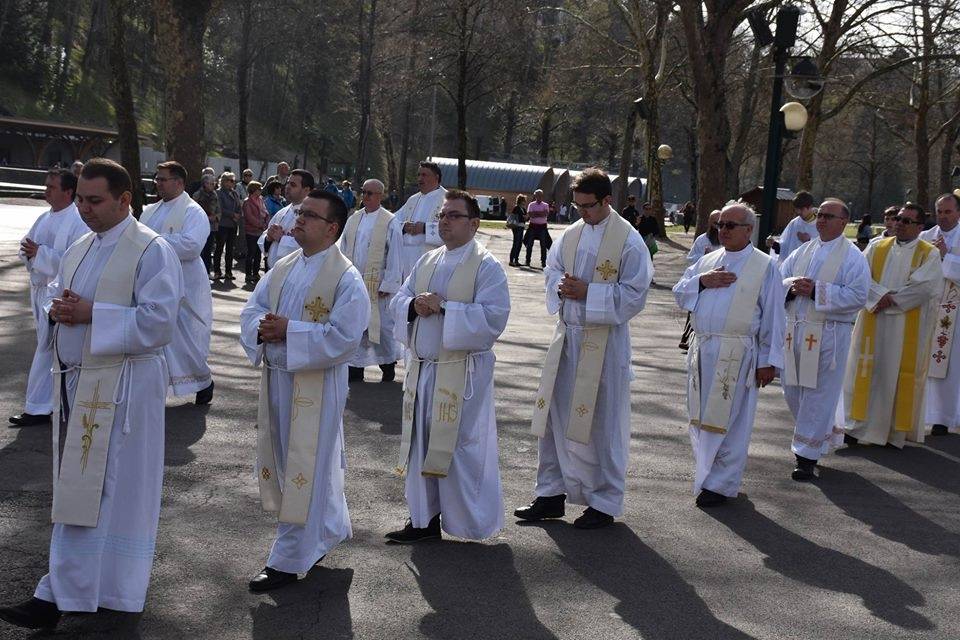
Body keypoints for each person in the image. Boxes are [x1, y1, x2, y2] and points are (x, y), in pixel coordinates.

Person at [0, 159, 182, 631]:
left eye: (94, 200)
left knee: (106, 492)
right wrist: (58, 306)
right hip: (83, 384)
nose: (83, 209)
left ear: (125, 200)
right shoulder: (81, 244)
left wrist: (92, 315)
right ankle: (78, 589)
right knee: (85, 491)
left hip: (126, 389)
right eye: (79, 198)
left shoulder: (151, 251)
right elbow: (60, 294)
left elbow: (160, 322)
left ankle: (82, 591)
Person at [240, 189, 367, 592]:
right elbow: (252, 309)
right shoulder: (283, 266)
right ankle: (327, 528)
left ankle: (287, 558)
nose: (298, 219)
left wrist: (289, 330)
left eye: (310, 215)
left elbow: (346, 337)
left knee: (303, 465)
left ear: (331, 228)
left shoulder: (346, 277)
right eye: (299, 212)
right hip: (278, 378)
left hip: (315, 384)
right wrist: (262, 328)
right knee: (297, 463)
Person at [517, 168, 652, 529]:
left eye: (588, 207)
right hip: (568, 337)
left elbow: (636, 294)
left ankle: (604, 501)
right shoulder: (571, 234)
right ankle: (550, 494)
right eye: (577, 206)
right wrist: (560, 286)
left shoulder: (629, 240)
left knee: (603, 425)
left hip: (604, 344)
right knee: (555, 417)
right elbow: (552, 269)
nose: (582, 213)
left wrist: (589, 292)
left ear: (607, 200)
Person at [385, 189, 510, 543]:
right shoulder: (428, 260)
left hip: (461, 374)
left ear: (474, 223)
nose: (445, 222)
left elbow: (494, 319)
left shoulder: (486, 266)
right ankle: (422, 519)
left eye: (454, 216)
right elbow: (400, 300)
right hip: (424, 369)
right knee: (420, 444)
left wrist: (446, 308)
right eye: (442, 215)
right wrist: (412, 306)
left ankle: (468, 522)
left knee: (459, 448)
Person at [673, 203, 785, 507]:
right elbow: (680, 293)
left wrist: (768, 362)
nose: (723, 230)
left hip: (737, 352)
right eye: (720, 224)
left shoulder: (765, 266)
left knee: (732, 421)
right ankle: (707, 472)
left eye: (730, 225)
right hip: (703, 348)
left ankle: (721, 484)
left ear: (749, 230)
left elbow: (775, 315)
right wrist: (702, 282)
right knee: (699, 415)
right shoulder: (707, 260)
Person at [780, 199, 870, 480]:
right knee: (793, 392)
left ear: (844, 222)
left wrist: (818, 290)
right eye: (819, 215)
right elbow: (780, 280)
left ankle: (805, 457)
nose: (821, 220)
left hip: (828, 334)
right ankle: (818, 434)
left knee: (819, 395)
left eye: (828, 216)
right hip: (795, 331)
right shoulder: (802, 251)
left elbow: (858, 296)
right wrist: (792, 288)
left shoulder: (853, 256)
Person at [844, 203, 943, 447]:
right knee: (866, 371)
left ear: (920, 227)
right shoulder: (877, 246)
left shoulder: (927, 253)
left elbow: (926, 287)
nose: (899, 223)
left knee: (897, 374)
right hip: (873, 320)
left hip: (906, 325)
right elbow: (861, 277)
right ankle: (857, 428)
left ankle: (892, 432)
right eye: (898, 218)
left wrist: (890, 299)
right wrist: (880, 296)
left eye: (906, 221)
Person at [9, 168, 88, 427]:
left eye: (51, 187)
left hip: (57, 294)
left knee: (47, 349)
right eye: (46, 185)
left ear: (68, 191)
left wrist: (40, 253)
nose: (46, 191)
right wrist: (32, 254)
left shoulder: (77, 221)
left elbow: (74, 262)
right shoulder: (44, 217)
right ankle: (53, 403)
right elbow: (25, 245)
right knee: (47, 348)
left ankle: (38, 407)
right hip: (39, 290)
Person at [142, 161, 215, 403]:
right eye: (157, 178)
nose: (158, 183)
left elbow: (192, 246)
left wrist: (154, 241)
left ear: (179, 183)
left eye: (163, 179)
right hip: (154, 283)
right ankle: (154, 387)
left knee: (185, 339)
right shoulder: (149, 211)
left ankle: (203, 380)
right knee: (156, 336)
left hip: (185, 284)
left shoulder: (193, 211)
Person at [338, 179, 403, 383]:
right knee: (356, 325)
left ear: (380, 196)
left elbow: (395, 254)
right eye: (363, 192)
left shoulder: (390, 221)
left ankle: (387, 366)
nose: (365, 196)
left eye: (370, 193)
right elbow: (343, 247)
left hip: (377, 284)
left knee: (381, 328)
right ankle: (355, 369)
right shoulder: (353, 219)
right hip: (355, 282)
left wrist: (390, 283)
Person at [918, 194, 960, 435]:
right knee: (923, 360)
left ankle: (943, 417)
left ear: (958, 213)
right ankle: (921, 412)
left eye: (948, 212)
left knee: (950, 365)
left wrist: (946, 257)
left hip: (955, 313)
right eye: (939, 212)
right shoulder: (925, 236)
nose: (943, 217)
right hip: (928, 308)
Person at [678, 210, 722, 352]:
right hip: (703, 282)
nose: (717, 226)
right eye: (714, 223)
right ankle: (689, 338)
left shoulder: (726, 238)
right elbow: (691, 259)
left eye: (719, 223)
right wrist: (704, 257)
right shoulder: (702, 240)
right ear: (709, 223)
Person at [394, 161, 445, 279]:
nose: (420, 178)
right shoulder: (413, 199)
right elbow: (393, 220)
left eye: (424, 175)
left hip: (430, 257)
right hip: (405, 258)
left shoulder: (447, 200)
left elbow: (452, 230)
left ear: (436, 177)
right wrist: (403, 227)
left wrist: (424, 228)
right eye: (419, 175)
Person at [259, 170, 315, 269]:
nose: (287, 187)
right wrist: (268, 238)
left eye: (293, 185)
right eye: (288, 183)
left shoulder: (314, 216)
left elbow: (311, 248)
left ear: (306, 190)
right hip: (273, 271)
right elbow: (264, 238)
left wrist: (281, 239)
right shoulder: (282, 212)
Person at [774, 191, 819, 264]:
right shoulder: (794, 223)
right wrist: (774, 243)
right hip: (792, 264)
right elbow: (784, 244)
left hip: (810, 265)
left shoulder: (820, 225)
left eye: (802, 209)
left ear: (810, 207)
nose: (798, 212)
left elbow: (826, 245)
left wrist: (809, 239)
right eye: (797, 209)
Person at [213, 172, 241, 281]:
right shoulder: (218, 193)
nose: (232, 183)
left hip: (233, 225)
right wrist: (232, 214)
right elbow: (220, 208)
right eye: (230, 180)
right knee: (219, 248)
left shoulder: (234, 193)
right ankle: (217, 271)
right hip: (223, 224)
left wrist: (238, 214)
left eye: (233, 181)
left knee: (230, 249)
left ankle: (228, 272)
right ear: (223, 181)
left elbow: (238, 206)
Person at [243, 181, 270, 285]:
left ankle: (256, 273)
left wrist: (266, 221)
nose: (261, 190)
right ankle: (248, 274)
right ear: (253, 190)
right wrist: (260, 225)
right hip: (251, 231)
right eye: (259, 189)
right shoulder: (247, 202)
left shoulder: (261, 200)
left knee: (258, 254)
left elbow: (265, 212)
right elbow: (249, 217)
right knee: (251, 253)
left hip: (260, 232)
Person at [192, 174, 220, 273]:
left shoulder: (215, 195)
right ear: (205, 183)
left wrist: (215, 217)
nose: (213, 185)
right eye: (211, 183)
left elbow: (218, 210)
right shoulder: (197, 195)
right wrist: (204, 217)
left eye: (214, 183)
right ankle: (197, 272)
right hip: (199, 227)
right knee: (200, 251)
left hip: (211, 227)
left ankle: (207, 272)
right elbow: (193, 211)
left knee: (209, 250)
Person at [523, 189, 552, 268]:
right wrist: (540, 213)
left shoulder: (545, 205)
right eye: (537, 195)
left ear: (542, 196)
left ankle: (543, 262)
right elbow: (530, 215)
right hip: (533, 226)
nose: (539, 197)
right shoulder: (531, 204)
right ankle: (527, 260)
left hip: (542, 227)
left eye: (540, 195)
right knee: (529, 244)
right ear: (535, 196)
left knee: (543, 245)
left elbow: (545, 214)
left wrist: (535, 213)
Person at [506, 194, 527, 267]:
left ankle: (516, 260)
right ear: (520, 201)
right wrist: (524, 217)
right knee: (516, 243)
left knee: (519, 244)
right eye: (524, 201)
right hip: (516, 227)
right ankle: (511, 260)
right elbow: (518, 218)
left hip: (521, 227)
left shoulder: (523, 209)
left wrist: (526, 217)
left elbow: (526, 218)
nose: (525, 202)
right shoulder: (516, 208)